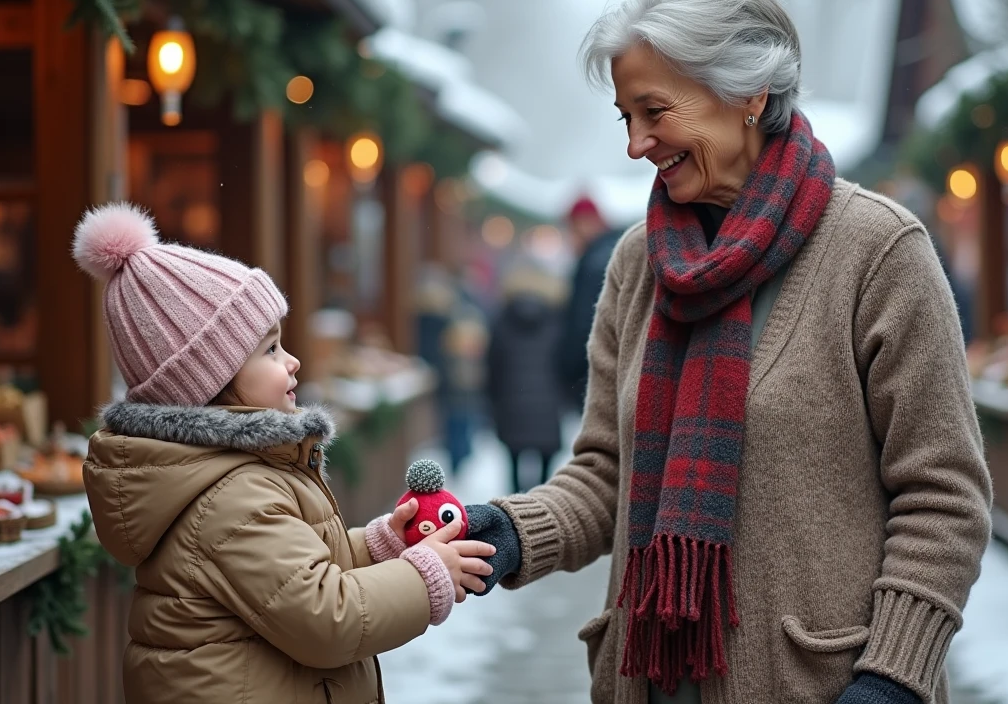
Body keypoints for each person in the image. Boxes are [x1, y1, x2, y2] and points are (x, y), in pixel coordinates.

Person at [462, 0, 992, 704]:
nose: (636, 144)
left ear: (749, 93)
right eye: (625, 118)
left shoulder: (876, 250)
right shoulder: (636, 262)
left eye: (654, 111)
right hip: (649, 682)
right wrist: (504, 530)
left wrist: (891, 678)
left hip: (819, 686)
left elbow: (944, 497)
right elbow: (605, 474)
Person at [74, 203, 496, 704]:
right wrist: (422, 578)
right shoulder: (231, 496)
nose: (292, 361)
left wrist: (379, 547)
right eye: (270, 350)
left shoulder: (234, 474)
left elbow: (294, 576)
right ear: (211, 381)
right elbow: (324, 619)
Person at [487, 265, 566, 493]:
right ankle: (539, 516)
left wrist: (492, 401)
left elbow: (493, 366)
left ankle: (513, 515)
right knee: (544, 476)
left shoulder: (501, 320)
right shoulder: (557, 320)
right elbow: (566, 363)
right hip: (547, 406)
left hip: (511, 405)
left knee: (512, 467)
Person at [556, 196, 622, 409]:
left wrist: (568, 367)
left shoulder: (594, 262)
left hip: (596, 377)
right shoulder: (612, 251)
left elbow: (585, 324)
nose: (570, 237)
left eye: (572, 229)